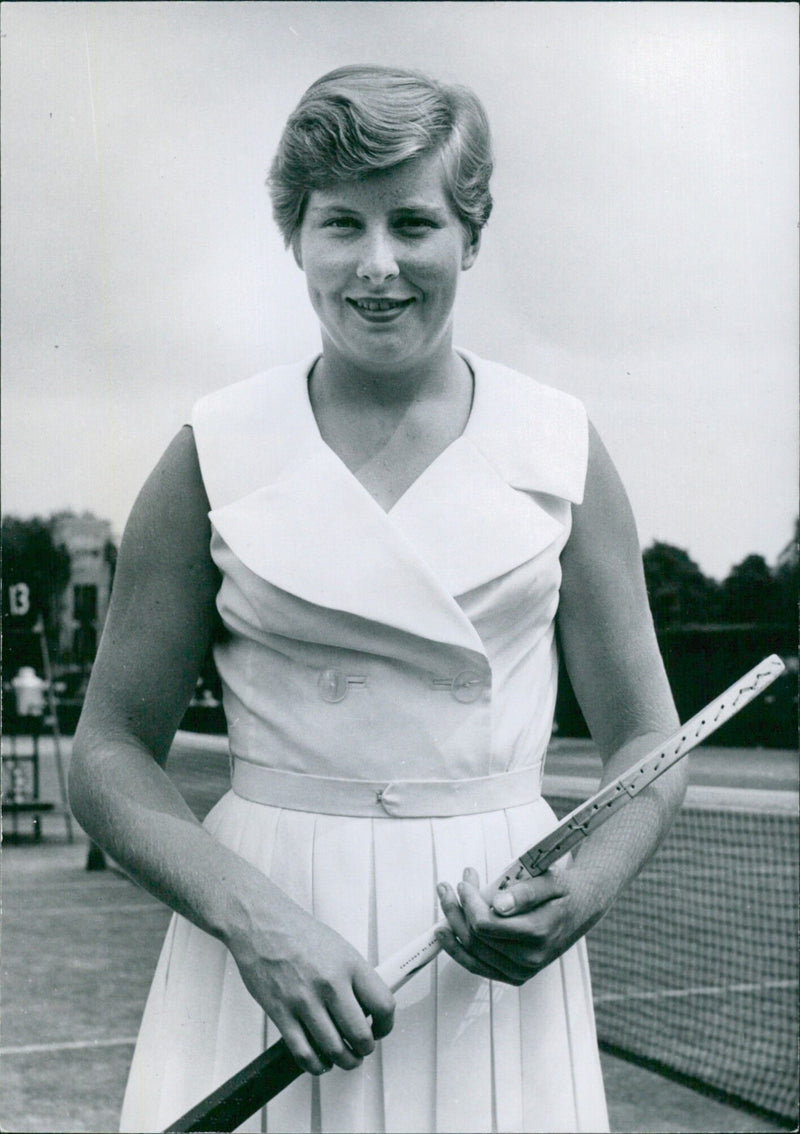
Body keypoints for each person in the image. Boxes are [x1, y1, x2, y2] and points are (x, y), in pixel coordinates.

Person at [69, 64, 687, 1134]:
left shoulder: (559, 446)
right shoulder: (211, 450)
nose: (377, 266)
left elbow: (645, 736)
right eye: (338, 225)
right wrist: (252, 920)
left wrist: (578, 893)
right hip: (263, 951)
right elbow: (110, 750)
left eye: (413, 222)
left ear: (469, 235)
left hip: (486, 953)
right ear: (294, 240)